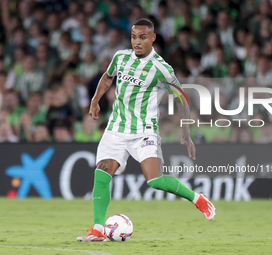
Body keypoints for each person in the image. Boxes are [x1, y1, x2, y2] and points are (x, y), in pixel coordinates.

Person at [77, 18, 216, 242]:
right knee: (102, 171)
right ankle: (98, 229)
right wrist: (95, 100)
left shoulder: (161, 68)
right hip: (116, 128)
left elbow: (181, 97)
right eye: (133, 37)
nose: (137, 42)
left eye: (142, 37)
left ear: (152, 38)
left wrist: (186, 131)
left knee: (154, 180)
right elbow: (107, 77)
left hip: (144, 131)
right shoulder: (120, 57)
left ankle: (197, 198)